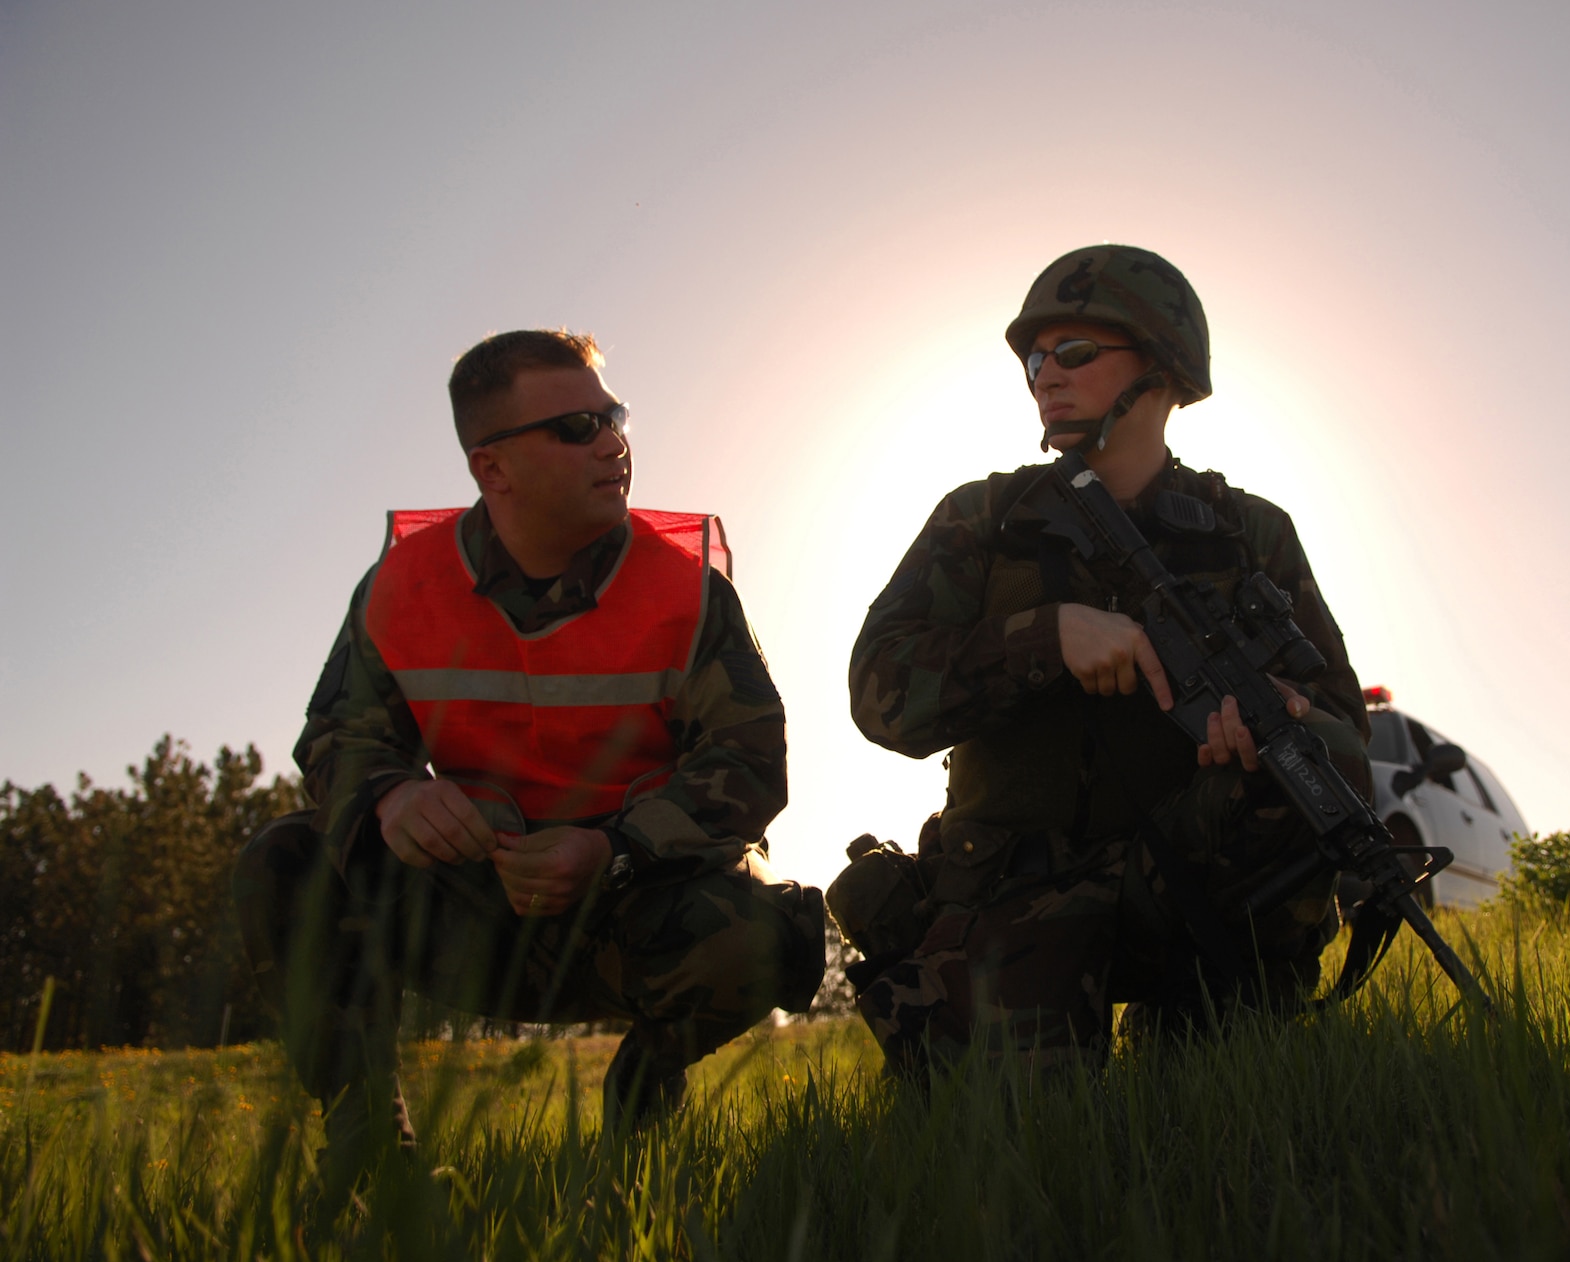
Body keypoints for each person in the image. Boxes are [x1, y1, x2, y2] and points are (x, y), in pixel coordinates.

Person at [234, 329, 824, 1154]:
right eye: (577, 428)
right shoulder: (402, 587)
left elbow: (750, 768)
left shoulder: (686, 592)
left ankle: (647, 1085)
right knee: (284, 861)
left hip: (634, 900)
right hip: (478, 911)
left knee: (765, 931)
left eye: (613, 415)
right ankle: (368, 1137)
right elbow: (338, 737)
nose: (613, 441)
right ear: (493, 468)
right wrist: (391, 797)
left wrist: (611, 849)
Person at [841, 246, 1372, 1073]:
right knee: (1014, 1148)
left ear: (1160, 369)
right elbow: (879, 692)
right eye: (1032, 356)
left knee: (1302, 782)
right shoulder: (983, 519)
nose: (1044, 374)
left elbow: (1348, 730)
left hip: (1197, 874)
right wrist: (1044, 638)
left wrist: (1279, 714)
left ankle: (1216, 1019)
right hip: (1014, 884)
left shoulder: (1248, 531)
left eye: (1075, 352)